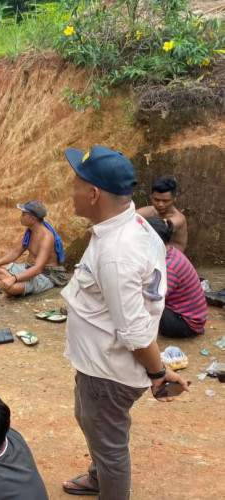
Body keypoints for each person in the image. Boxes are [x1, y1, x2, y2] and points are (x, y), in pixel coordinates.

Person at [61, 145, 189, 498]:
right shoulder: (131, 225)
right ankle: (98, 476)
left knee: (109, 443)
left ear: (93, 193)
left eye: (76, 184)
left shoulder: (116, 252)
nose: (70, 191)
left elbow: (134, 330)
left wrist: (158, 373)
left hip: (108, 371)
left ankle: (108, 482)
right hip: (99, 364)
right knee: (94, 425)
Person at [0, 200, 68, 296]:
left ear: (32, 219)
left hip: (45, 275)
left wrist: (14, 278)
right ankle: (6, 282)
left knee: (11, 289)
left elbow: (38, 269)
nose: (21, 217)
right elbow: (16, 252)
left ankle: (6, 282)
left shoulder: (46, 237)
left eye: (23, 214)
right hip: (28, 268)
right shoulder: (30, 231)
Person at [145, 217, 207, 338]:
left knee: (144, 309)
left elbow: (153, 299)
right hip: (190, 317)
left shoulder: (169, 267)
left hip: (186, 323)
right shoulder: (171, 252)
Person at [137, 176, 187, 252]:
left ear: (174, 199)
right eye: (156, 200)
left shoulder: (178, 219)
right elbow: (127, 217)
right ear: (151, 197)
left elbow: (159, 229)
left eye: (165, 201)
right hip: (153, 254)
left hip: (170, 259)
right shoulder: (149, 210)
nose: (160, 204)